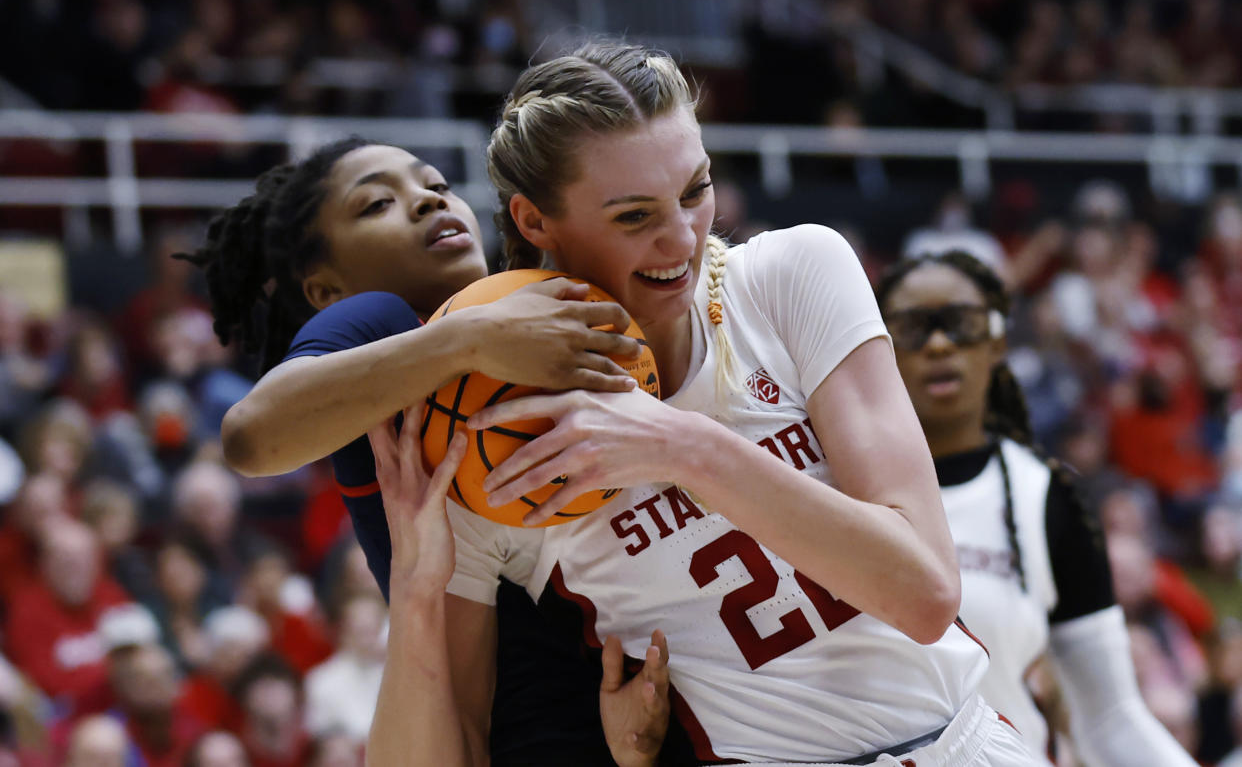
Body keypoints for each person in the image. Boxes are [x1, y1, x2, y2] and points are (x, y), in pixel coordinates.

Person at [366, 40, 1033, 766]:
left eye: (695, 190)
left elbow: (925, 594)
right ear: (534, 222)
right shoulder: (489, 430)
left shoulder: (790, 275)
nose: (682, 237)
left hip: (969, 742)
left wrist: (681, 446)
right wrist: (416, 591)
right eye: (632, 216)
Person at [180, 137, 670, 766]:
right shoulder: (378, 319)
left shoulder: (528, 312)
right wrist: (466, 340)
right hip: (504, 731)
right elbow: (250, 436)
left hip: (622, 705)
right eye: (376, 203)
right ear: (327, 289)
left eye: (435, 185)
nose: (424, 202)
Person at [874, 250, 1198, 766]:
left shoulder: (1048, 497)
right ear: (880, 347)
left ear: (998, 341)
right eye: (913, 327)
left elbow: (1110, 717)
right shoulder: (828, 486)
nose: (939, 343)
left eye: (961, 323)